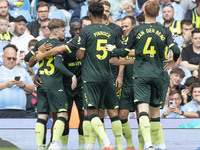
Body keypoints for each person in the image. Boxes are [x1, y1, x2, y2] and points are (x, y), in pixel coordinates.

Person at [35, 2, 123, 150]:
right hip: (107, 77)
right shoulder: (111, 31)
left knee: (91, 111)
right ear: (104, 14)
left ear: (89, 14)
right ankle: (102, 146)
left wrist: (43, 54)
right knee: (112, 112)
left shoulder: (86, 31)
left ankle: (106, 143)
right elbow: (122, 51)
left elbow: (63, 49)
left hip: (90, 78)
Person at [105, 1, 180, 150]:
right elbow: (176, 49)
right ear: (158, 14)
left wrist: (113, 49)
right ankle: (162, 144)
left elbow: (125, 52)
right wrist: (173, 61)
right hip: (159, 74)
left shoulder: (137, 30)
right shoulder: (165, 30)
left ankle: (148, 144)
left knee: (143, 111)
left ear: (144, 13)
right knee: (155, 112)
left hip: (141, 75)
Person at [25, 19, 77, 150]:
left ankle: (39, 146)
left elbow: (28, 61)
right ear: (56, 31)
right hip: (55, 85)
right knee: (62, 115)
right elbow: (58, 64)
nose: (65, 33)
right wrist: (72, 75)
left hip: (41, 86)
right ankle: (54, 143)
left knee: (42, 117)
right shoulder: (59, 45)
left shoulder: (41, 43)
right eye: (63, 30)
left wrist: (38, 53)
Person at [0, 44, 35, 118]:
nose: (12, 60)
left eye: (14, 58)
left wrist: (23, 85)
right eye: (9, 58)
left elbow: (32, 88)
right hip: (2, 110)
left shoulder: (22, 71)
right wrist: (6, 85)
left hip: (20, 110)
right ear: (3, 57)